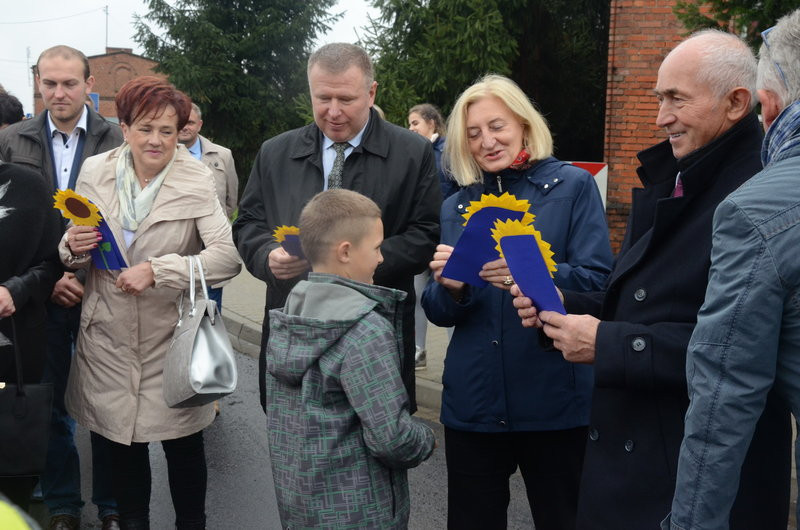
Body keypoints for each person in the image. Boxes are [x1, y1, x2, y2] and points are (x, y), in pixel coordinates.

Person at [512, 30, 791, 529]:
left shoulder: (756, 199)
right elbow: (639, 300)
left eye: (676, 99)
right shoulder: (679, 173)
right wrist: (564, 303)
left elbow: (741, 357)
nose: (661, 117)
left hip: (690, 478)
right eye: (660, 98)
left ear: (736, 103)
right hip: (639, 459)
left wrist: (607, 343)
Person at [421, 74, 613, 529]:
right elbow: (439, 311)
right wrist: (451, 288)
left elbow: (599, 285)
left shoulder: (573, 186)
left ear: (524, 125)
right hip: (474, 403)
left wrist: (531, 271)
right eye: (473, 133)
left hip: (554, 400)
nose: (486, 141)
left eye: (497, 126)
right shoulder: (456, 206)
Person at [60, 76, 241, 529]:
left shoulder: (196, 177)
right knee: (123, 448)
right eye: (145, 128)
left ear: (180, 131)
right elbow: (73, 247)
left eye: (167, 130)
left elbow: (227, 258)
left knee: (183, 446)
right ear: (124, 128)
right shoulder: (95, 172)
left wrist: (159, 270)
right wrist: (72, 247)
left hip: (171, 339)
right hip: (108, 337)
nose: (156, 140)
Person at [233, 42, 440, 414]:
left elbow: (425, 233)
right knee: (294, 441)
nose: (333, 111)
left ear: (371, 93)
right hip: (294, 332)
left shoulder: (412, 153)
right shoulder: (275, 153)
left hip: (376, 334)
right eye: (322, 98)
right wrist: (267, 256)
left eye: (346, 99)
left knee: (379, 437)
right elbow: (248, 223)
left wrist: (355, 264)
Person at [664, 11, 800, 530]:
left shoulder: (755, 210)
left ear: (763, 105)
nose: (662, 117)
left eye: (676, 98)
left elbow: (724, 395)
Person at [0, 45, 123, 530]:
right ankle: (63, 504)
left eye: (69, 83)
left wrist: (79, 275)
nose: (58, 93)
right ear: (38, 83)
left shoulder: (118, 139)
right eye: (49, 83)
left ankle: (112, 504)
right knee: (48, 402)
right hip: (41, 296)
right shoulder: (15, 139)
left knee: (108, 403)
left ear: (89, 85)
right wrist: (50, 278)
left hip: (106, 291)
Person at [266, 188, 436, 529]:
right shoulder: (364, 329)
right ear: (345, 251)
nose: (381, 259)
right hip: (361, 510)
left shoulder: (290, 313)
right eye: (376, 248)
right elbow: (392, 439)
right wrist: (425, 438)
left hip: (301, 504)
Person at [0, 161, 62, 513]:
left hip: (15, 353)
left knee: (10, 479)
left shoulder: (29, 186)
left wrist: (17, 290)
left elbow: (54, 262)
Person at [177, 103, 238, 313]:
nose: (185, 127)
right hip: (176, 245)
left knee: (210, 308)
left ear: (200, 125)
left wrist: (211, 226)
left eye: (190, 122)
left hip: (210, 245)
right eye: (181, 122)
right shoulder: (162, 154)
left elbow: (231, 200)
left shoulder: (222, 155)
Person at [407, 103, 454, 370]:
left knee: (450, 291)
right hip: (419, 236)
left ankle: (454, 350)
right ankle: (419, 350)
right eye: (409, 123)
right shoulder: (412, 153)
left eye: (415, 122)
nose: (411, 128)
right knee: (417, 294)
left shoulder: (448, 152)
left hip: (445, 238)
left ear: (432, 123)